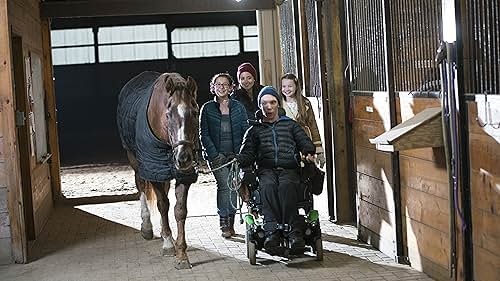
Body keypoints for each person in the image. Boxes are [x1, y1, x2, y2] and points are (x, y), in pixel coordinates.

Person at [237, 86, 316, 253]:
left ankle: (295, 233)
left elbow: (305, 142)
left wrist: (308, 151)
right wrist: (238, 159)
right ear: (260, 106)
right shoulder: (254, 130)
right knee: (267, 186)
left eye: (272, 102)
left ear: (278, 104)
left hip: (289, 169)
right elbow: (247, 154)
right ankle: (271, 231)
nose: (269, 107)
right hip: (266, 170)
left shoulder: (291, 125)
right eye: (264, 103)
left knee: (287, 186)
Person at [200, 73, 249, 238]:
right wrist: (214, 154)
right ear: (213, 88)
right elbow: (203, 135)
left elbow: (245, 131)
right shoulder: (207, 108)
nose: (221, 87)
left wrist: (241, 154)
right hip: (217, 156)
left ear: (231, 87)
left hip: (235, 155)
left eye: (225, 84)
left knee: (234, 186)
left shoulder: (238, 108)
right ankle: (223, 222)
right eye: (218, 84)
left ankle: (231, 221)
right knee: (224, 185)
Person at [280, 73, 326, 168]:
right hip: (286, 142)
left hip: (304, 141)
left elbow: (313, 125)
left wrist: (319, 149)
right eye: (284, 86)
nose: (287, 89)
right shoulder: (278, 104)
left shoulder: (305, 103)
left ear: (296, 87)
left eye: (290, 86)